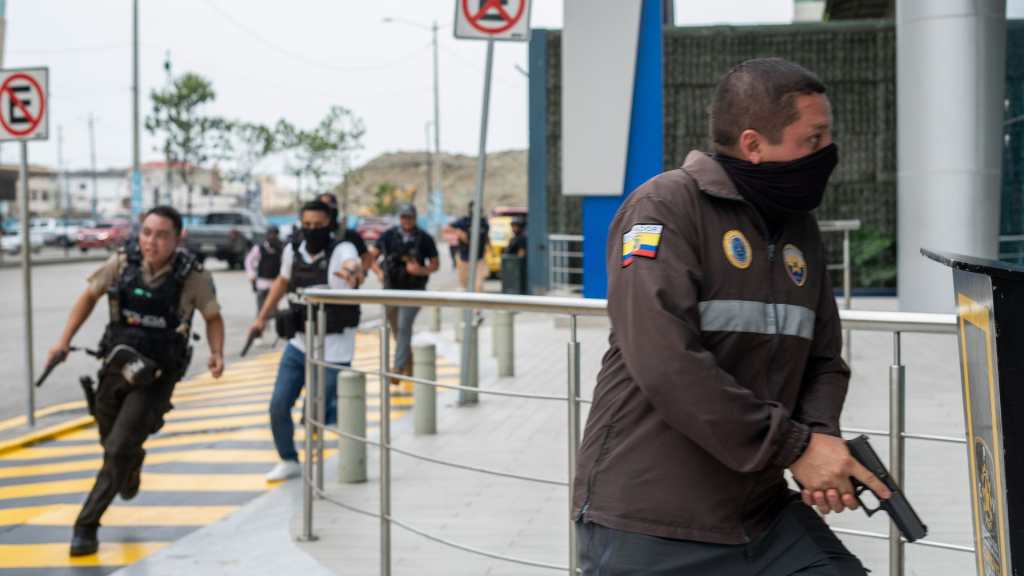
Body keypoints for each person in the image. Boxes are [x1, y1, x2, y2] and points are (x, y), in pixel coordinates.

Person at [572, 58, 892, 575]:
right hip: (652, 519)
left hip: (760, 515)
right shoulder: (662, 208)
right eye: (813, 139)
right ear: (753, 144)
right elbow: (666, 361)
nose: (827, 152)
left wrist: (819, 439)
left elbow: (824, 357)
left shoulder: (797, 228)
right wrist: (795, 447)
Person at [45, 206, 225, 557]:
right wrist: (63, 341)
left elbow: (213, 316)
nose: (151, 242)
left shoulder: (193, 277)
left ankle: (86, 526)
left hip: (156, 376)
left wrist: (217, 352)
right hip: (117, 367)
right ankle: (132, 463)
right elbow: (89, 296)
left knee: (117, 448)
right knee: (111, 440)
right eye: (146, 233)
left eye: (161, 235)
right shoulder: (122, 263)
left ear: (178, 238)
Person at [250, 200, 364, 481]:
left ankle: (334, 446)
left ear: (329, 225)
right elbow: (281, 281)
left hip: (334, 349)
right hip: (300, 344)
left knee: (317, 411)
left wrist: (352, 272)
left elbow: (353, 264)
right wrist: (261, 318)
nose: (312, 230)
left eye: (318, 225)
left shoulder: (341, 249)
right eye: (307, 225)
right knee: (278, 405)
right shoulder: (293, 250)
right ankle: (288, 459)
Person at [369, 204, 439, 386]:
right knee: (397, 330)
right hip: (391, 289)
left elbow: (435, 264)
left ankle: (398, 368)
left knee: (403, 326)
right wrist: (379, 272)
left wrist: (420, 270)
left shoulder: (424, 238)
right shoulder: (388, 236)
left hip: (414, 290)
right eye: (403, 217)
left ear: (415, 218)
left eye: (409, 217)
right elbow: (371, 257)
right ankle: (409, 363)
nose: (406, 220)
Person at [317, 192, 375, 273]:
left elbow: (366, 257)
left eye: (332, 209)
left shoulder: (349, 235)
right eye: (324, 209)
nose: (329, 214)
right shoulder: (307, 234)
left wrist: (360, 273)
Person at [244, 226, 283, 339]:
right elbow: (248, 261)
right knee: (261, 309)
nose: (272, 237)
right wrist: (251, 276)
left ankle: (277, 331)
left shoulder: (280, 248)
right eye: (270, 234)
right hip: (262, 283)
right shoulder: (259, 248)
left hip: (275, 284)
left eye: (275, 234)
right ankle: (258, 334)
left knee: (274, 309)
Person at [450, 202, 489, 292]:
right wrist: (459, 233)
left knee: (478, 286)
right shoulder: (464, 221)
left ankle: (477, 301)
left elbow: (486, 237)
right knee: (464, 286)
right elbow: (448, 228)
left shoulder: (483, 222)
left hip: (479, 257)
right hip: (465, 257)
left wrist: (488, 249)